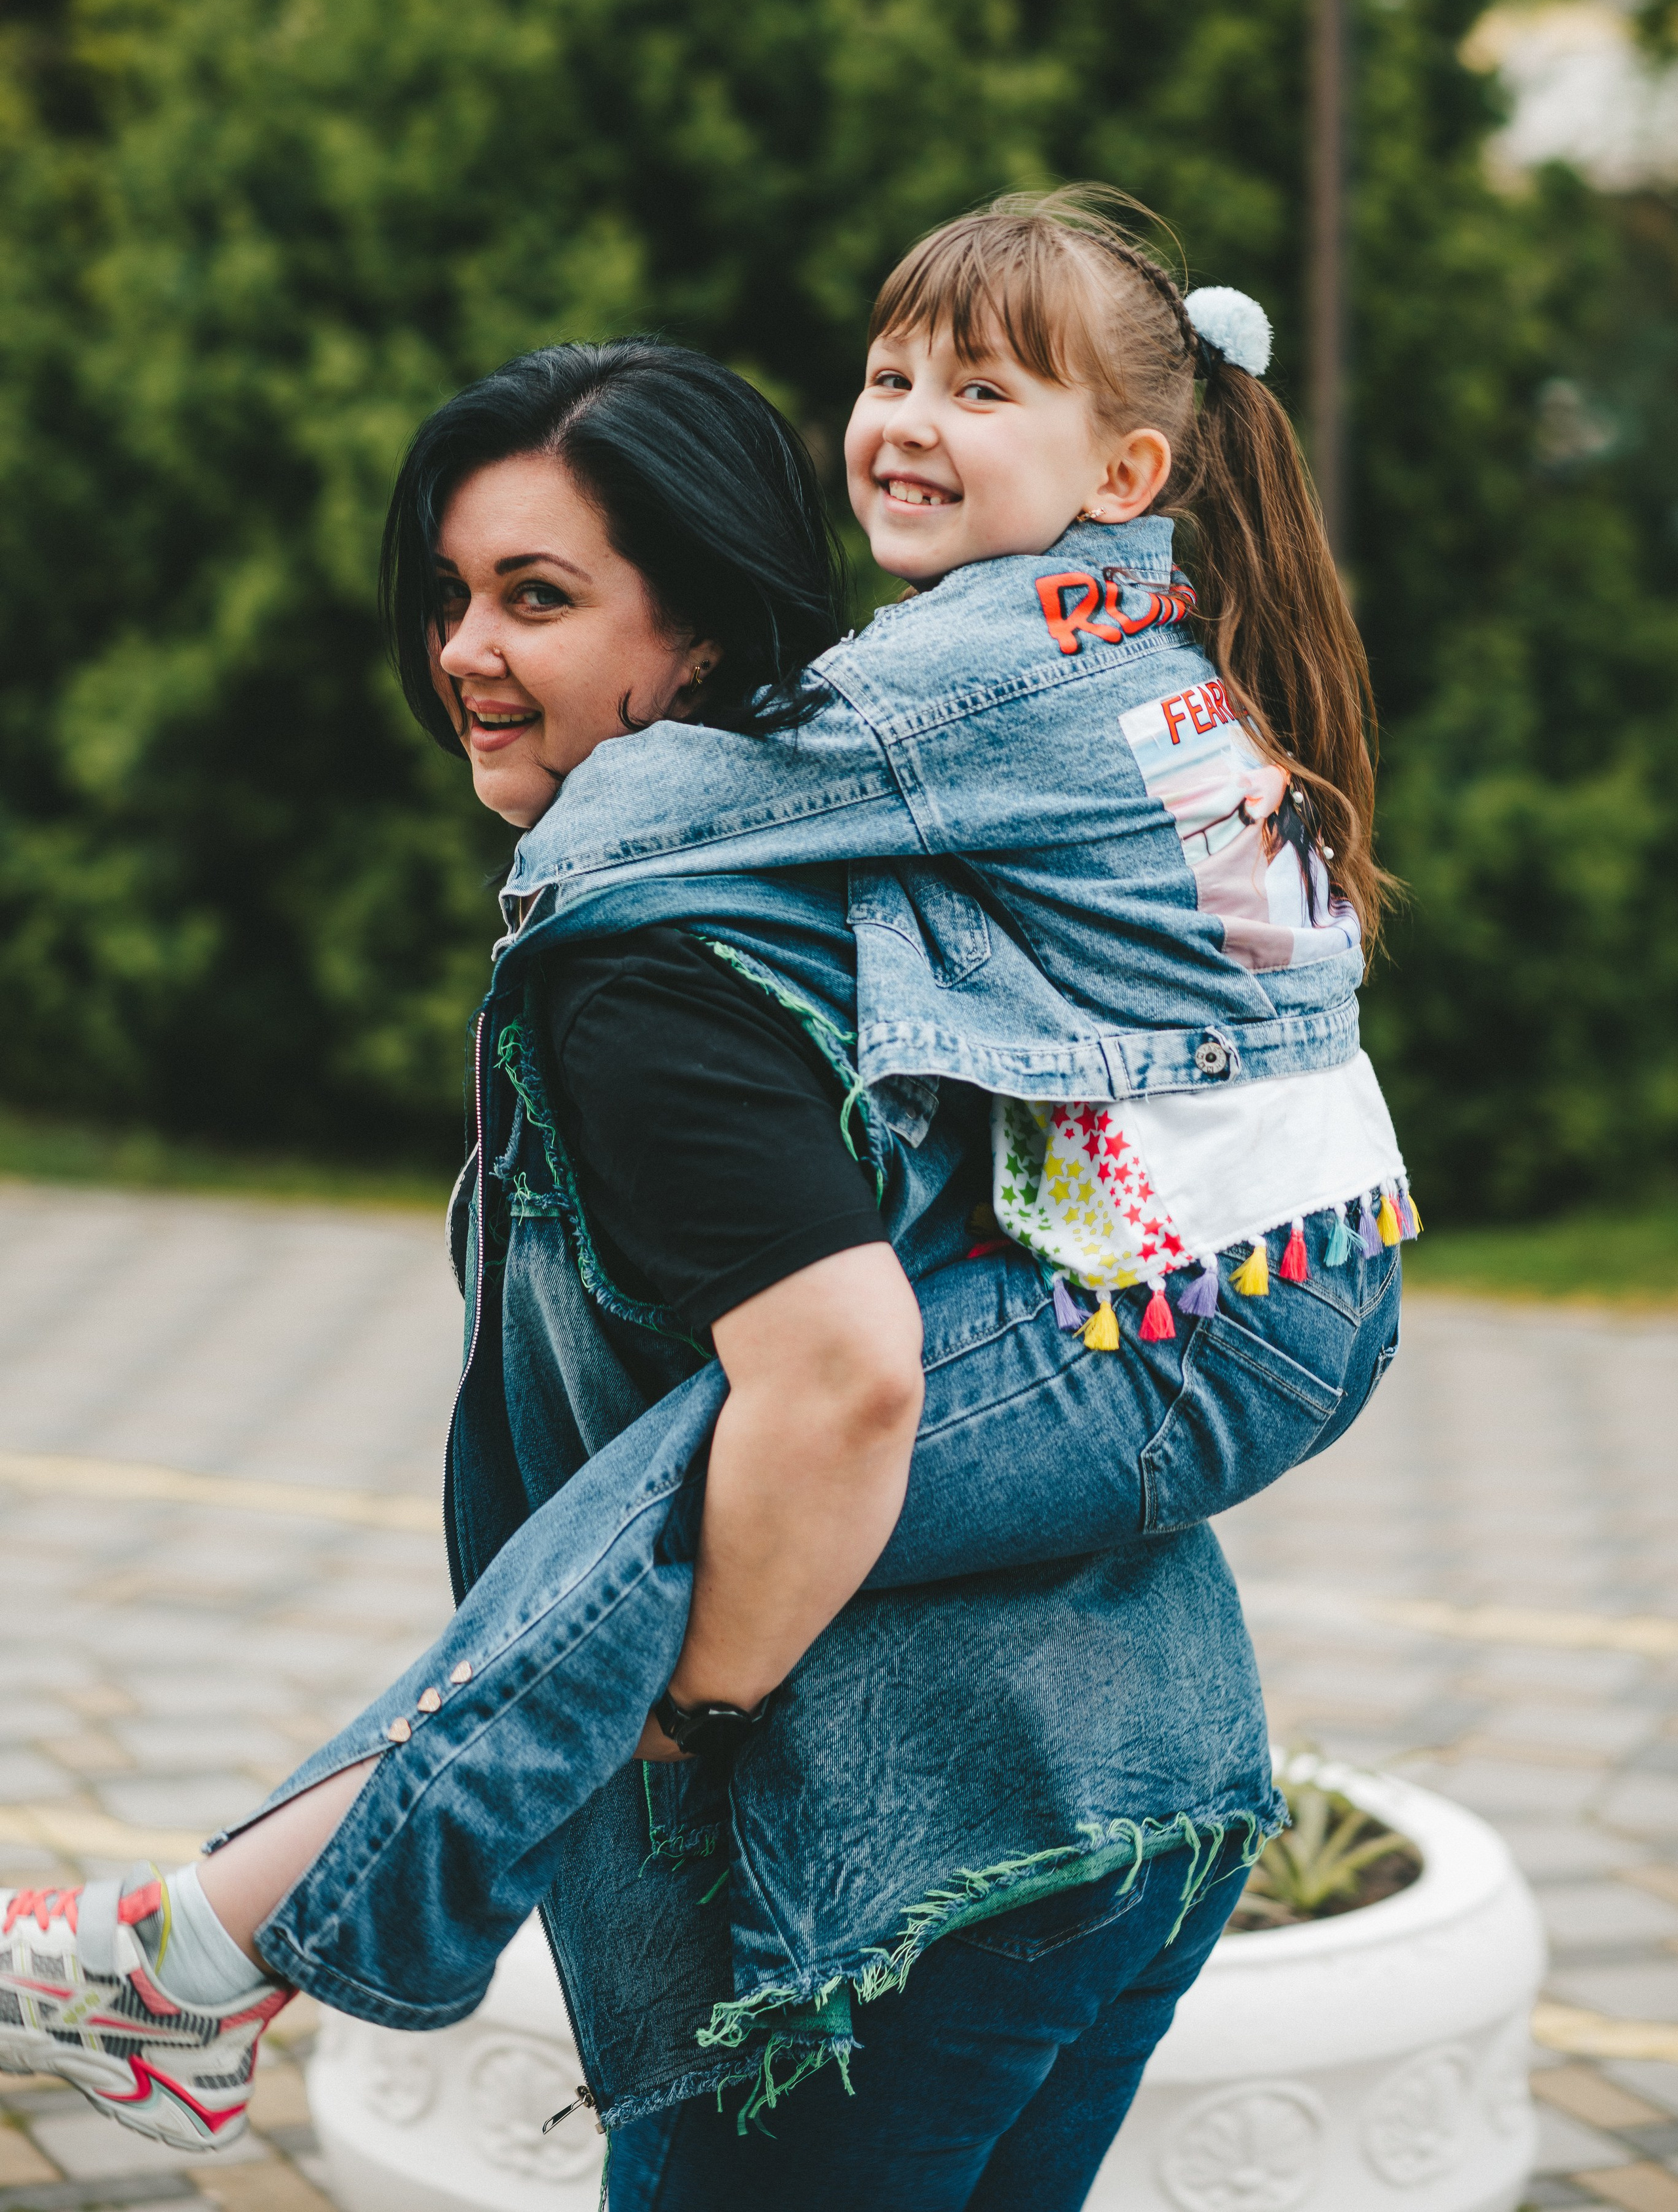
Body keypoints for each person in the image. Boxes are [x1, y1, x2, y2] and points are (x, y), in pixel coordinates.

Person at [0, 193, 1404, 2204]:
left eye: (539, 596)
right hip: (1152, 1780)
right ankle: (207, 1942)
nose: (465, 650)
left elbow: (841, 1389)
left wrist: (704, 1694)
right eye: (451, 593)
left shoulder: (714, 912)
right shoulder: (1036, 730)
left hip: (906, 1866)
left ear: (704, 621)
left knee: (664, 1503)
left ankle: (209, 1944)